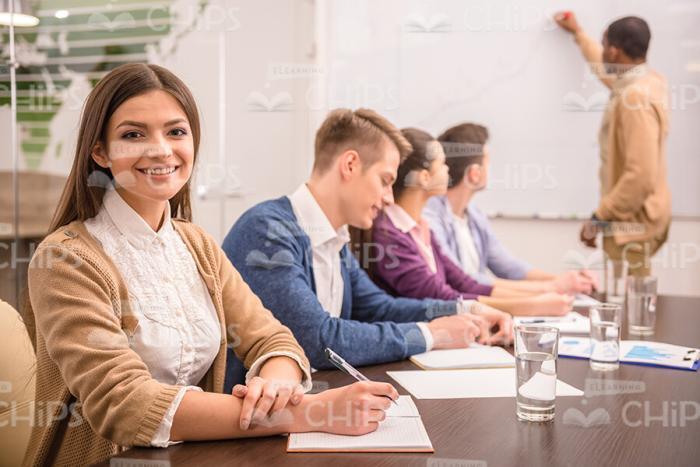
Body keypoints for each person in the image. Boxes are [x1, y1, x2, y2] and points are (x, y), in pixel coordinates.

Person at [23, 64, 397, 466]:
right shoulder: (65, 259)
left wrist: (276, 385)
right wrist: (304, 413)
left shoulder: (195, 243)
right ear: (100, 151)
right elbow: (125, 403)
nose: (161, 150)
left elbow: (273, 339)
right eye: (133, 135)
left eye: (176, 132)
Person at [223, 108, 513, 376]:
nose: (389, 197)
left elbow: (381, 308)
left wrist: (466, 310)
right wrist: (431, 334)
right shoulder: (269, 230)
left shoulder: (335, 241)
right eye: (385, 180)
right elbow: (319, 340)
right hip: (255, 425)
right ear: (350, 165)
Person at [371, 128, 575, 317]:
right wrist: (530, 306)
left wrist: (539, 297)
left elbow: (464, 282)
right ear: (424, 178)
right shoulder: (390, 234)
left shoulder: (423, 228)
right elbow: (440, 295)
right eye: (442, 164)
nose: (448, 170)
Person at [554, 12, 671, 276]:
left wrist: (599, 219)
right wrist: (578, 33)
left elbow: (640, 176)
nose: (603, 50)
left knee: (632, 305)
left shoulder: (635, 100)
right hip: (638, 218)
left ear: (615, 52)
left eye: (605, 44)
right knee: (629, 302)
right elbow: (603, 66)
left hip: (632, 225)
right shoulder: (647, 81)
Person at [424, 123, 597, 293]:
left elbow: (508, 267)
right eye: (487, 162)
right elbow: (464, 279)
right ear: (474, 174)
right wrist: (552, 287)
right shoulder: (430, 217)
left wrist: (564, 280)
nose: (490, 169)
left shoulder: (474, 215)